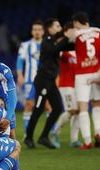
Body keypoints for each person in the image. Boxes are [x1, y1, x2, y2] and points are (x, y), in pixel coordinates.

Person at [24, 18, 76, 149]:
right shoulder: (46, 41)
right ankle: (28, 137)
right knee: (38, 109)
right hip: (43, 81)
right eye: (57, 26)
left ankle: (43, 137)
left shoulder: (53, 41)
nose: (60, 28)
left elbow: (67, 46)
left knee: (58, 108)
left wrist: (77, 39)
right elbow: (55, 49)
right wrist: (66, 36)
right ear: (50, 29)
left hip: (50, 81)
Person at [71, 12, 100, 149]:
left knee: (83, 106)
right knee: (96, 103)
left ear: (77, 22)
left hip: (82, 74)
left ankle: (88, 141)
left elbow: (67, 43)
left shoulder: (76, 34)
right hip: (97, 72)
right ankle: (98, 132)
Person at [50, 22, 82, 148]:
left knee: (79, 111)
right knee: (71, 110)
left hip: (78, 84)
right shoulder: (63, 48)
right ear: (67, 31)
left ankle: (74, 139)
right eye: (73, 31)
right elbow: (56, 54)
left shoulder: (79, 49)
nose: (76, 33)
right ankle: (55, 132)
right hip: (66, 84)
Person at [16, 20, 45, 131]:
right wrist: (20, 75)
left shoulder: (48, 44)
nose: (37, 32)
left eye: (39, 30)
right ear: (32, 31)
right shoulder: (25, 45)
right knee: (29, 105)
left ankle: (52, 134)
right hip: (30, 80)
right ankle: (27, 133)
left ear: (43, 31)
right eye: (34, 30)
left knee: (48, 106)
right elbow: (19, 61)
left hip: (45, 79)